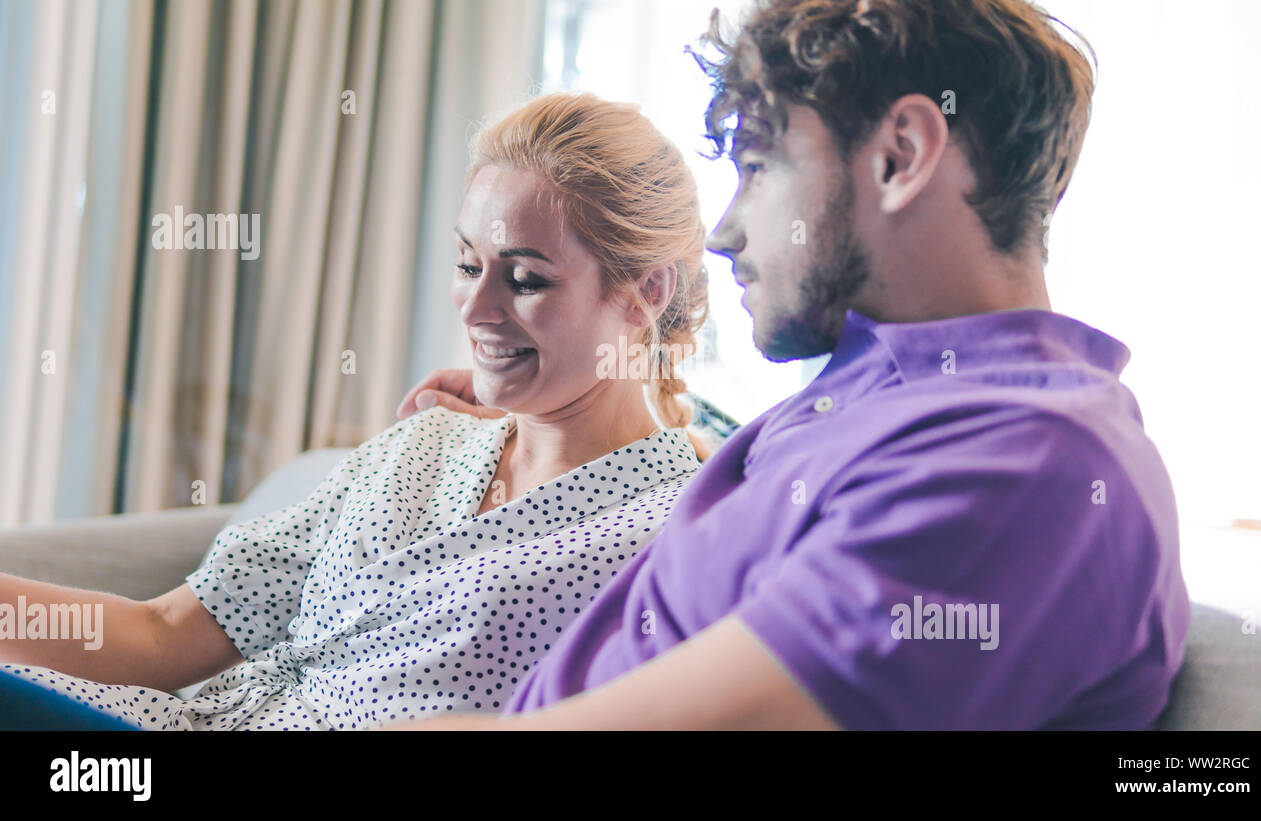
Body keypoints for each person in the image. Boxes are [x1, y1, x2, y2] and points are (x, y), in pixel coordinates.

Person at [388, 0, 1190, 730]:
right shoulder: (897, 398)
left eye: (758, 165)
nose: (723, 232)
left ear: (901, 155)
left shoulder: (1025, 467)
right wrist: (542, 409)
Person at [0, 92, 713, 730]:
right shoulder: (424, 445)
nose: (476, 306)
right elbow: (163, 632)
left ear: (646, 290)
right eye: (468, 265)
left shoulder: (669, 536)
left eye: (525, 278)